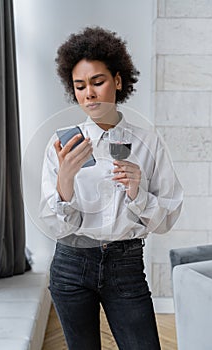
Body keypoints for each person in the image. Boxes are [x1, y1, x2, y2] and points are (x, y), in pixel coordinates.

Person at [39, 26, 183, 350]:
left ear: (118, 81)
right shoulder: (61, 145)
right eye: (79, 86)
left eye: (97, 81)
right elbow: (51, 222)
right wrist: (64, 180)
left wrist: (139, 192)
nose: (88, 93)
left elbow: (168, 218)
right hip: (71, 265)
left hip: (126, 265)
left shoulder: (147, 142)